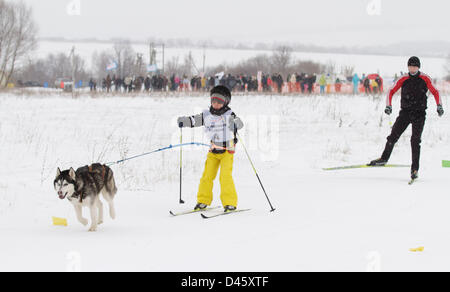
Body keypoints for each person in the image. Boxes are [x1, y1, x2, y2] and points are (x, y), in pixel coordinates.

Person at [368, 56, 444, 180]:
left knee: (415, 141)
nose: (413, 68)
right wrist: (389, 106)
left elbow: (435, 92)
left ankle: (414, 169)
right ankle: (383, 159)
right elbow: (391, 91)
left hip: (419, 114)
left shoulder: (425, 78)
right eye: (410, 66)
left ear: (418, 67)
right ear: (407, 67)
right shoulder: (403, 78)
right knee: (393, 136)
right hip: (405, 113)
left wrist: (439, 106)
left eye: (415, 66)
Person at [177, 86, 244, 213]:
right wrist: (184, 121)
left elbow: (239, 124)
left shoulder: (229, 114)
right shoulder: (206, 114)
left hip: (227, 150)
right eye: (213, 101)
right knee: (207, 176)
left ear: (225, 102)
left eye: (219, 101)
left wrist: (236, 123)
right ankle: (203, 200)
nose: (216, 104)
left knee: (225, 177)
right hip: (213, 150)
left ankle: (230, 203)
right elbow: (195, 120)